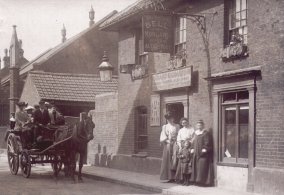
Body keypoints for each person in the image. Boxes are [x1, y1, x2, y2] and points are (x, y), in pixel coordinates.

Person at [190, 120, 214, 186]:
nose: (199, 126)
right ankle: (196, 181)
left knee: (202, 167)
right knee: (196, 167)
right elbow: (193, 142)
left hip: (203, 153)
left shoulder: (206, 133)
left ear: (203, 125)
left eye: (200, 125)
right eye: (198, 125)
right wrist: (192, 148)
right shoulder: (195, 133)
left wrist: (205, 149)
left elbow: (207, 142)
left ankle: (203, 182)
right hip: (196, 152)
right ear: (196, 126)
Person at [160, 111, 179, 182]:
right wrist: (168, 141)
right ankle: (169, 177)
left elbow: (179, 134)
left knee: (174, 159)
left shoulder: (177, 126)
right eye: (168, 119)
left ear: (173, 118)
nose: (170, 120)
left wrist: (176, 141)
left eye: (171, 118)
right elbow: (163, 136)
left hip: (175, 144)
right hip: (168, 145)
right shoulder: (165, 127)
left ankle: (175, 177)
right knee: (168, 160)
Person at [175, 118, 195, 183]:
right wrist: (180, 147)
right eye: (183, 123)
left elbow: (193, 138)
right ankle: (181, 179)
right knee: (181, 162)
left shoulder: (191, 129)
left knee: (189, 162)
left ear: (187, 122)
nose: (184, 124)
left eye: (185, 122)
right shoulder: (180, 130)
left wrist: (190, 145)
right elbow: (178, 139)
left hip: (189, 145)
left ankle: (189, 180)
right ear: (181, 124)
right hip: (183, 145)